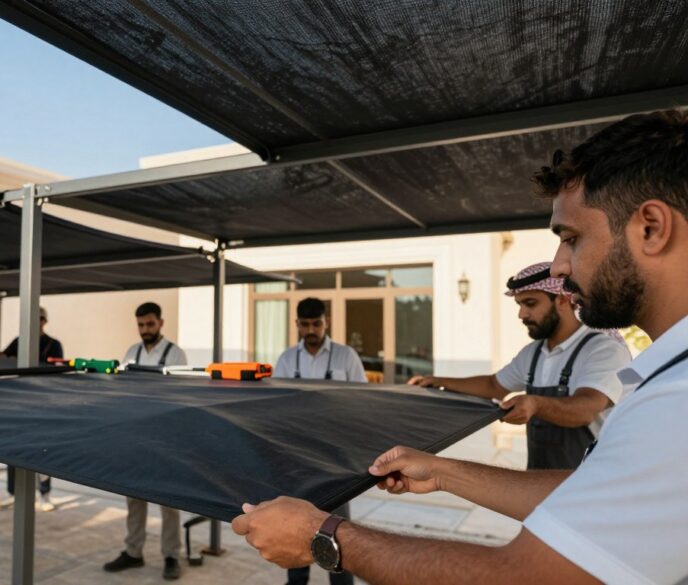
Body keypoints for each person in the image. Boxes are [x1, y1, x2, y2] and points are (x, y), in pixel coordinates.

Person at [231, 110, 688, 583]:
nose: (561, 264)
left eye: (571, 238)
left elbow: (520, 577)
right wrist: (445, 471)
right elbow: (595, 492)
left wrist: (323, 536)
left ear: (650, 228)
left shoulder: (677, 402)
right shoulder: (670, 381)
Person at [408, 261, 629, 469]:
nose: (522, 314)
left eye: (530, 304)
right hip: (539, 482)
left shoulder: (604, 350)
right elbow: (493, 385)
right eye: (520, 305)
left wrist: (535, 405)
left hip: (592, 486)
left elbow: (585, 409)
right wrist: (437, 381)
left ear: (563, 299)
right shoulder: (532, 353)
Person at [273, 298, 366, 585]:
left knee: (336, 531)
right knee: (296, 528)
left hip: (336, 459)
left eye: (317, 323)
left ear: (326, 322)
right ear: (297, 324)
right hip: (296, 457)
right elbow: (274, 408)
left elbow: (363, 403)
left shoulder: (346, 356)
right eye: (305, 324)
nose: (311, 329)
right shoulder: (287, 360)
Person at [103, 302, 187, 580]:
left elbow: (178, 398)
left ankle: (171, 555)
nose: (145, 330)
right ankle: (133, 551)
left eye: (150, 324)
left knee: (169, 501)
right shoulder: (132, 352)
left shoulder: (175, 354)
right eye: (141, 325)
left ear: (160, 323)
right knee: (134, 499)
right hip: (136, 436)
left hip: (166, 437)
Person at [0, 306, 62, 512]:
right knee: (13, 448)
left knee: (42, 449)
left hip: (44, 404)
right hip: (18, 403)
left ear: (44, 321)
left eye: (35, 320)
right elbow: (1, 357)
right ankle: (13, 493)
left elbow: (57, 372)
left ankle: (44, 494)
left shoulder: (54, 345)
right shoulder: (19, 341)